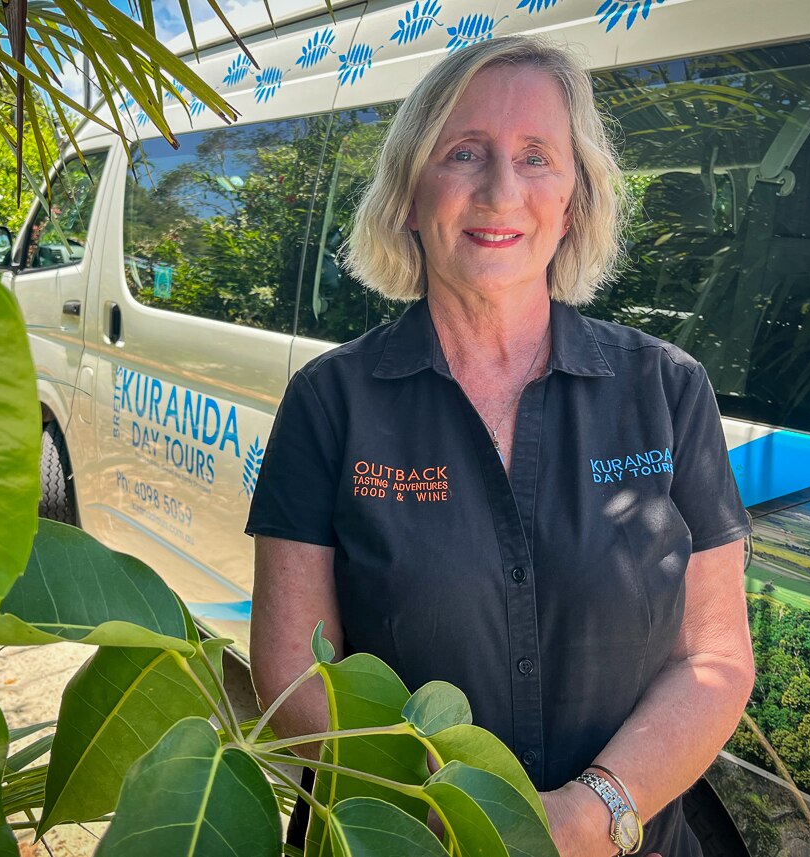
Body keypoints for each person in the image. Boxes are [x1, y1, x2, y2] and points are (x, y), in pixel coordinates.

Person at [246, 35, 755, 857]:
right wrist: (463, 822)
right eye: (464, 153)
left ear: (575, 201)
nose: (500, 190)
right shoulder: (329, 401)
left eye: (536, 158)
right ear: (410, 194)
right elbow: (294, 678)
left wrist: (590, 815)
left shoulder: (667, 390)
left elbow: (717, 657)